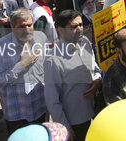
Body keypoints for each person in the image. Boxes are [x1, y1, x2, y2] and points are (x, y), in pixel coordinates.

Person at [44, 9, 102, 141]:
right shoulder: (53, 60)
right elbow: (52, 100)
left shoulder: (86, 43)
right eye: (74, 26)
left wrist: (97, 81)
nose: (80, 29)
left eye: (81, 25)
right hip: (75, 124)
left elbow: (95, 69)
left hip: (95, 113)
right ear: (61, 30)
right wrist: (65, 127)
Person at [0, 8, 47, 135]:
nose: (27, 29)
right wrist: (21, 65)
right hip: (17, 115)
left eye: (29, 25)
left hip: (40, 108)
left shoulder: (41, 38)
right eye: (22, 26)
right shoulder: (0, 47)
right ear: (12, 26)